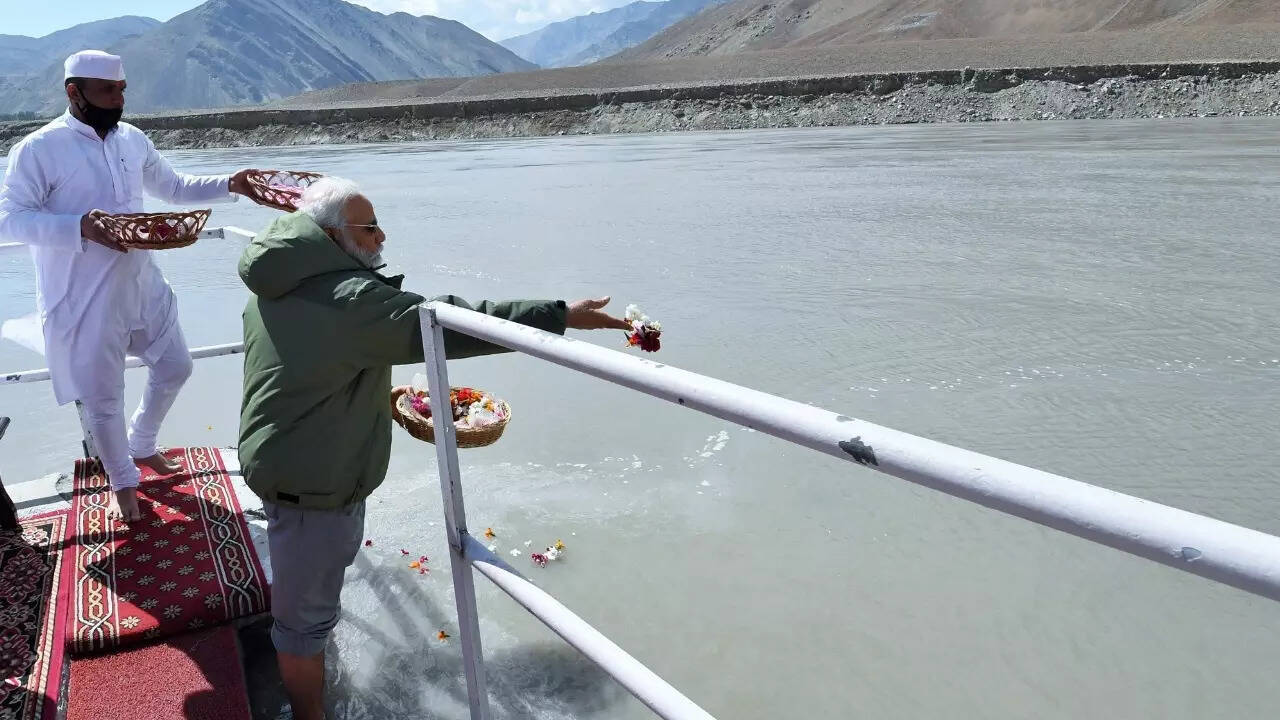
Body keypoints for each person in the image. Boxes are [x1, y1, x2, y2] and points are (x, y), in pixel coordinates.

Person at [237, 175, 631, 720]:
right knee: (302, 629)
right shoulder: (351, 299)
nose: (381, 236)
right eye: (369, 227)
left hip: (285, 458)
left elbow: (307, 366)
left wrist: (372, 394)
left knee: (309, 598)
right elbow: (445, 323)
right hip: (313, 485)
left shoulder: (278, 278)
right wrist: (560, 315)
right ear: (330, 236)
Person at [0, 50, 269, 521]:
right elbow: (10, 219)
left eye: (122, 89)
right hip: (84, 294)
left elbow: (176, 188)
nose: (119, 99)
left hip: (143, 282)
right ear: (74, 92)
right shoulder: (38, 149)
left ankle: (142, 443)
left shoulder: (132, 139)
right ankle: (123, 481)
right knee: (103, 397)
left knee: (176, 366)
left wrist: (233, 183)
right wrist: (79, 226)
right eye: (107, 91)